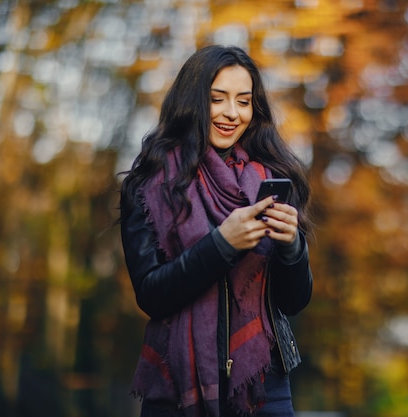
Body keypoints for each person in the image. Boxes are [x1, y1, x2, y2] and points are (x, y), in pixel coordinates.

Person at [119, 44, 313, 417]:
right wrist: (222, 244)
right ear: (192, 100)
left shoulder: (271, 177)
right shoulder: (148, 185)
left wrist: (292, 247)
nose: (231, 113)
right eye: (217, 99)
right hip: (176, 389)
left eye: (244, 101)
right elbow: (151, 294)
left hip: (264, 388)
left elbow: (293, 302)